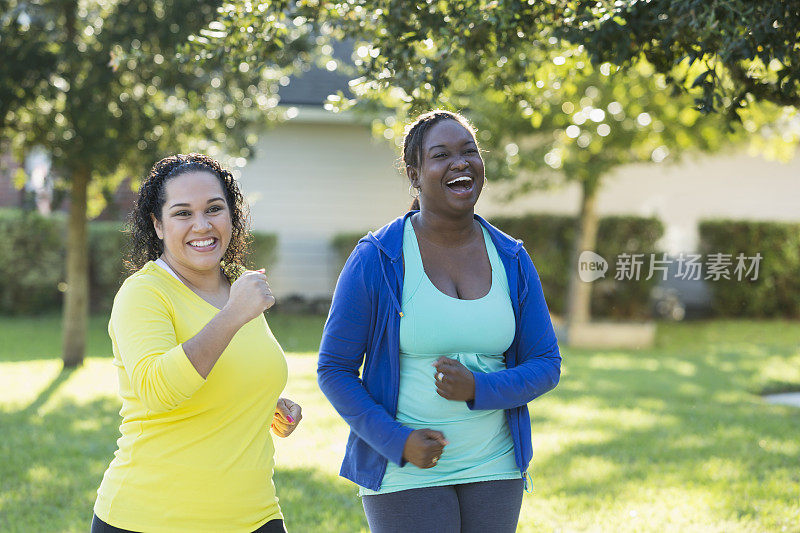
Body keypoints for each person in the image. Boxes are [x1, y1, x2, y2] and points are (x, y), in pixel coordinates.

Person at [317, 110, 561, 532]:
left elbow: (545, 364)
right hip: (404, 469)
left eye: (470, 152)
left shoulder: (512, 258)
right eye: (441, 155)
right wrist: (398, 442)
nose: (460, 162)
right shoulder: (379, 257)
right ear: (414, 174)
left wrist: (479, 388)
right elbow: (334, 368)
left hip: (495, 466)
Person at [91, 154, 302, 533]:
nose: (202, 225)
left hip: (255, 516)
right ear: (157, 224)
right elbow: (158, 390)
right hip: (151, 519)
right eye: (182, 213)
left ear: (232, 216)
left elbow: (231, 369)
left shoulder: (238, 283)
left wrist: (263, 404)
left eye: (214, 209)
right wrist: (234, 313)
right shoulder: (143, 293)